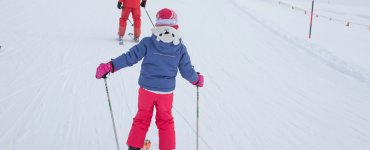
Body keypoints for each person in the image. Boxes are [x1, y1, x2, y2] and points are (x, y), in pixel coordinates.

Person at [96, 8, 204, 150]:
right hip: (166, 94)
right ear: (175, 27)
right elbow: (187, 71)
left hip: (146, 90)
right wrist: (196, 79)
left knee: (142, 119)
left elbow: (130, 57)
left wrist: (111, 66)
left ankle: (134, 147)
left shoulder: (148, 42)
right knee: (165, 122)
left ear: (157, 25)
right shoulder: (180, 49)